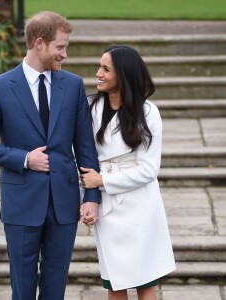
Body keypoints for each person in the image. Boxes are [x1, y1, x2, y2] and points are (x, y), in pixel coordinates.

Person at [0, 11, 100, 300]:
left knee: (56, 288)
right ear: (39, 43)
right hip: (21, 203)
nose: (65, 54)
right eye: (60, 47)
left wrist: (92, 197)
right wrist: (24, 159)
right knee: (23, 287)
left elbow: (85, 146)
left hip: (64, 203)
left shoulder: (73, 85)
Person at [80, 45, 176, 300]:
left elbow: (148, 170)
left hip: (140, 206)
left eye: (105, 69)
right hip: (108, 207)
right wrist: (87, 196)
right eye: (99, 67)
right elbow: (81, 154)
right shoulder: (89, 107)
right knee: (114, 282)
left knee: (145, 281)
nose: (98, 74)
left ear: (123, 75)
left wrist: (102, 180)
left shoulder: (148, 112)